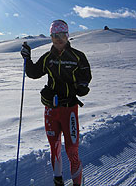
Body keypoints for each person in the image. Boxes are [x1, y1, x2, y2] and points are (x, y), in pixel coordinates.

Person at [21, 20, 92, 186]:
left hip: (69, 110)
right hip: (51, 110)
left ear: (67, 36)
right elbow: (33, 73)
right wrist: (27, 58)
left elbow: (86, 75)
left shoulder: (78, 57)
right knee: (54, 147)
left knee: (72, 150)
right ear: (51, 37)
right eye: (54, 36)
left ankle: (77, 183)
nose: (58, 39)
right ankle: (58, 181)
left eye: (62, 35)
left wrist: (82, 86)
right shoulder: (48, 58)